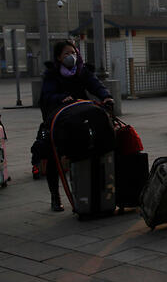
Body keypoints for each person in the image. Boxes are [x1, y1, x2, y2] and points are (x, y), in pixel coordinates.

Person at [39, 39, 115, 212]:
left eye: (73, 53)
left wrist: (106, 96)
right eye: (66, 53)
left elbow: (96, 85)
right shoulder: (52, 74)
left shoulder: (82, 70)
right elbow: (47, 95)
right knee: (53, 153)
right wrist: (61, 98)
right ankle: (55, 196)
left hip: (81, 115)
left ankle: (97, 190)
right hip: (59, 118)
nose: (71, 56)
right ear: (59, 57)